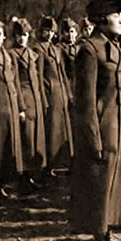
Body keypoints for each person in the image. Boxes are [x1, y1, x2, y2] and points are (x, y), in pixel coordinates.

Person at [70, 0, 121, 241]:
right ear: (102, 19)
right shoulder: (89, 51)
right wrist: (92, 138)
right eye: (116, 15)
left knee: (112, 188)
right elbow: (84, 103)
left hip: (119, 129)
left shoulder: (116, 47)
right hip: (103, 131)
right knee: (98, 190)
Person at [0, 19, 26, 201]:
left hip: (11, 104)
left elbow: (15, 82)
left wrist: (21, 107)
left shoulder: (8, 56)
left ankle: (3, 184)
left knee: (10, 147)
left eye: (0, 34)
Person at [34, 16, 74, 181]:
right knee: (52, 130)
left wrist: (68, 94)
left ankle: (62, 163)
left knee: (64, 130)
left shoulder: (57, 49)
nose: (49, 34)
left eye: (51, 31)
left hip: (61, 93)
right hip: (50, 93)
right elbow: (40, 76)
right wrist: (44, 99)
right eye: (46, 31)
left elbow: (63, 74)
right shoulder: (38, 49)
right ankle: (50, 166)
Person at [9, 18, 47, 192]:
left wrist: (43, 102)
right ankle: (23, 178)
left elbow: (38, 79)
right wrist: (21, 107)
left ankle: (32, 175)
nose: (22, 39)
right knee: (27, 140)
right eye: (19, 36)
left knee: (37, 139)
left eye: (25, 35)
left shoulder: (32, 54)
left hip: (35, 99)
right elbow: (15, 82)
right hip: (24, 98)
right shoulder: (12, 55)